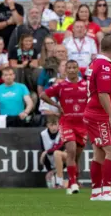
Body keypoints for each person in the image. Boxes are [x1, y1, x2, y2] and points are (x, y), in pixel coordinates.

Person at [40, 59, 88, 194]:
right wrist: (56, 105)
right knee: (71, 150)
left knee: (77, 156)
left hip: (82, 124)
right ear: (65, 70)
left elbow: (95, 99)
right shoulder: (61, 86)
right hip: (67, 122)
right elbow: (43, 95)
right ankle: (72, 184)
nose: (72, 70)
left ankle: (74, 181)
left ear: (78, 69)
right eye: (69, 68)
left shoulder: (86, 85)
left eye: (74, 67)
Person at [84, 36, 111, 201]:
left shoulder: (94, 64)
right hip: (100, 114)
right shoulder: (105, 66)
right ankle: (106, 191)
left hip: (92, 112)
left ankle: (96, 192)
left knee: (99, 153)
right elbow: (103, 93)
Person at [38, 115, 68, 189]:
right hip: (51, 161)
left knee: (57, 153)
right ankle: (54, 176)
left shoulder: (62, 132)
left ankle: (60, 180)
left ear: (59, 124)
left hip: (64, 160)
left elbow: (60, 147)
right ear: (47, 125)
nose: (54, 127)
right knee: (46, 155)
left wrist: (46, 152)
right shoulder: (43, 134)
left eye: (56, 125)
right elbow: (44, 151)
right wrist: (49, 170)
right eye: (51, 125)